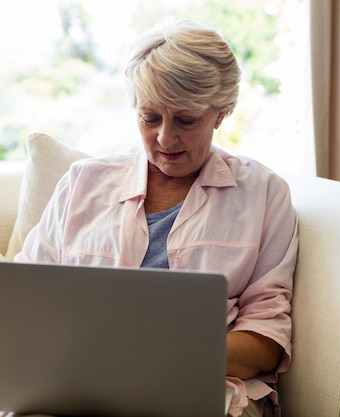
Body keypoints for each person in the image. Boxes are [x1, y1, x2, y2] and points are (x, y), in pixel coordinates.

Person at [13, 18, 298, 417]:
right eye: (150, 118)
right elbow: (24, 299)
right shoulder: (82, 183)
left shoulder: (263, 194)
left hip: (202, 390)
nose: (165, 139)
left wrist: (155, 355)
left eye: (186, 120)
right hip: (78, 385)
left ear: (221, 113)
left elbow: (266, 341)